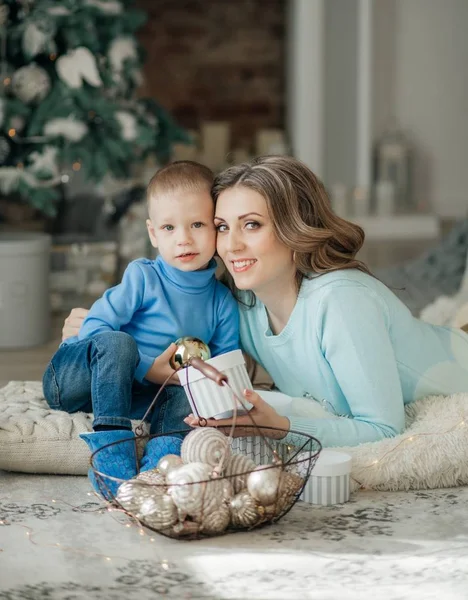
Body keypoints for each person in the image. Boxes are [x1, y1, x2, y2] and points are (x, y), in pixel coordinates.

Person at [62, 155, 468, 450]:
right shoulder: (245, 308)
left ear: (293, 229)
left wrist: (281, 428)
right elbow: (173, 336)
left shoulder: (341, 303)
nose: (232, 244)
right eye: (221, 227)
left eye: (251, 225)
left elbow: (383, 430)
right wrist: (95, 336)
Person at [43, 161, 239, 497]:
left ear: (216, 227)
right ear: (152, 233)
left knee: (184, 393)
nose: (184, 239)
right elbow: (94, 328)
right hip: (77, 379)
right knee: (119, 343)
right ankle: (111, 453)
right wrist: (149, 367)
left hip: (137, 399)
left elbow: (224, 365)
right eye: (168, 228)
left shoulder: (221, 301)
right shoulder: (143, 277)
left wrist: (195, 378)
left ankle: (158, 467)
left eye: (197, 224)